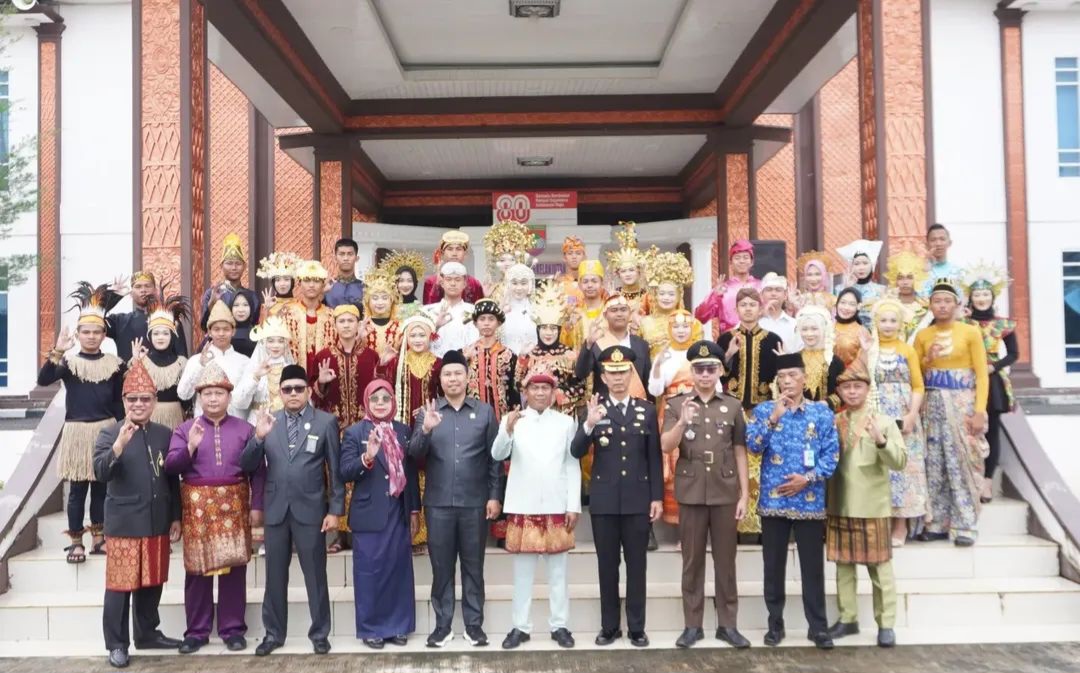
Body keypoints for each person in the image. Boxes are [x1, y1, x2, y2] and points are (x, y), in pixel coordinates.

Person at [241, 364, 345, 656]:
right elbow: (247, 464)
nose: (294, 394)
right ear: (280, 392)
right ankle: (273, 634)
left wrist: (335, 510)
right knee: (274, 577)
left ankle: (320, 633)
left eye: (299, 388)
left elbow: (335, 470)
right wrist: (258, 438)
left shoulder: (325, 422)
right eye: (288, 389)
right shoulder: (268, 421)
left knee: (315, 575)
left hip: (311, 510)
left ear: (309, 391)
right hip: (276, 510)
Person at [166, 361, 265, 654]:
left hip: (234, 505)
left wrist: (257, 505)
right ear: (199, 397)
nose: (213, 398)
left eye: (219, 393)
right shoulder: (185, 429)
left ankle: (232, 629)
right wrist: (190, 447)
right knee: (197, 571)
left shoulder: (245, 429)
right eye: (207, 393)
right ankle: (196, 631)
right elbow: (171, 467)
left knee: (234, 569)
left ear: (229, 397)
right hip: (198, 510)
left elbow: (258, 471)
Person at [407, 350, 502, 648]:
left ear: (467, 377)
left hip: (475, 503)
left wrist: (495, 496)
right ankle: (443, 625)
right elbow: (414, 455)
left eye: (457, 373)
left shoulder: (485, 412)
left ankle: (474, 626)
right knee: (442, 567)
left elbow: (494, 460)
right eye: (447, 374)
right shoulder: (428, 412)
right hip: (438, 505)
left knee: (473, 567)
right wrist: (425, 429)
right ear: (440, 379)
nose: (452, 379)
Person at [93, 359, 183, 669]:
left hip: (157, 520)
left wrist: (176, 516)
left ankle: (147, 633)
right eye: (133, 399)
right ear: (124, 401)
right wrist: (119, 445)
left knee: (152, 582)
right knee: (120, 586)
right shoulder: (109, 434)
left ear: (155, 401)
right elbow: (101, 472)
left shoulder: (164, 434)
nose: (139, 404)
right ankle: (117, 643)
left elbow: (172, 478)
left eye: (145, 398)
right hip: (124, 524)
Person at [660, 341, 750, 649]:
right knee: (692, 561)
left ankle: (728, 624)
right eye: (699, 369)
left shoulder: (733, 406)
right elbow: (666, 445)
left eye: (711, 368)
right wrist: (683, 421)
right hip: (692, 490)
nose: (705, 375)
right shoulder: (677, 404)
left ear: (720, 371)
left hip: (725, 490)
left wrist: (744, 494)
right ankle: (692, 625)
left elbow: (739, 450)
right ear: (692, 372)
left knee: (726, 561)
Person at [571, 346, 663, 648]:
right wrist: (589, 424)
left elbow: (654, 457)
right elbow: (576, 451)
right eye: (612, 373)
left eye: (623, 372)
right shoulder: (594, 410)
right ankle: (609, 626)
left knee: (637, 566)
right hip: (605, 501)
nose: (619, 378)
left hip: (638, 499)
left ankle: (637, 627)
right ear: (604, 376)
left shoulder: (646, 410)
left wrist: (656, 497)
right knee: (607, 566)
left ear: (631, 374)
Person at [746, 353, 839, 649]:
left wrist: (807, 478)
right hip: (774, 503)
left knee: (813, 568)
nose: (787, 381)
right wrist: (773, 418)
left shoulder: (821, 413)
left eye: (793, 375)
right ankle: (775, 625)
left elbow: (831, 456)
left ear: (804, 379)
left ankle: (818, 627)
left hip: (809, 501)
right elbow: (753, 446)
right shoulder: (764, 410)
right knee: (773, 567)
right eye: (782, 377)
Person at [493, 367, 580, 650]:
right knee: (522, 574)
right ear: (526, 392)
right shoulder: (513, 419)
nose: (540, 393)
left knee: (558, 574)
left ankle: (560, 625)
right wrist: (507, 429)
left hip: (557, 505)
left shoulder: (565, 422)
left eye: (545, 388)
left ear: (553, 393)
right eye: (534, 388)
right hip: (523, 506)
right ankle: (520, 626)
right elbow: (497, 454)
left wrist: (573, 504)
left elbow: (572, 464)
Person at [39, 282, 124, 563]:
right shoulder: (69, 363)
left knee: (101, 488)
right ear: (78, 334)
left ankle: (99, 537)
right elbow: (44, 380)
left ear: (103, 335)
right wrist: (57, 351)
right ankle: (76, 541)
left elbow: (117, 401)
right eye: (85, 332)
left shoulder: (114, 364)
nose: (91, 336)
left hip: (105, 430)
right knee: (77, 490)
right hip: (77, 432)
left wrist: (122, 429)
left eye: (96, 332)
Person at [826, 357, 907, 648]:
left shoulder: (883, 421)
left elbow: (899, 462)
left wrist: (881, 440)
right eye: (846, 387)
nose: (852, 392)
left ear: (867, 388)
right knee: (843, 567)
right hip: (840, 503)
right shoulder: (834, 421)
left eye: (857, 387)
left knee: (880, 569)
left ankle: (886, 623)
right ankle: (847, 618)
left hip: (873, 506)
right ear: (839, 391)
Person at [339, 379, 420, 649]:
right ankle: (371, 628)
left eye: (386, 398)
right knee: (369, 572)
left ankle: (398, 626)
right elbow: (345, 472)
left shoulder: (403, 430)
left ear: (393, 402)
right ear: (366, 402)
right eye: (375, 399)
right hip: (369, 514)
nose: (381, 403)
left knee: (398, 570)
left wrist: (414, 509)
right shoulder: (355, 432)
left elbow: (410, 473)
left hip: (398, 511)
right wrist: (367, 457)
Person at [914, 278, 990, 546]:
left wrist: (979, 410)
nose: (943, 306)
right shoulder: (923, 336)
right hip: (932, 402)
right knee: (934, 461)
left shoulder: (970, 332)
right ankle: (936, 522)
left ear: (957, 304)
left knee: (962, 459)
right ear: (930, 305)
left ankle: (965, 522)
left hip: (962, 402)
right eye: (937, 301)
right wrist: (928, 359)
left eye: (948, 301)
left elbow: (982, 374)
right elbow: (916, 374)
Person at [310, 304, 386, 552]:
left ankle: (362, 529)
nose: (346, 325)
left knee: (365, 474)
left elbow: (381, 391)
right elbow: (313, 398)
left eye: (350, 321)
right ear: (334, 325)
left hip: (365, 426)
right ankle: (338, 534)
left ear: (358, 325)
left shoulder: (371, 356)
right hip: (334, 427)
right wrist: (321, 383)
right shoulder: (323, 356)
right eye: (341, 321)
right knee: (336, 475)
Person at [716, 288, 782, 537]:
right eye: (743, 305)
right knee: (732, 464)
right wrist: (729, 354)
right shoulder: (725, 338)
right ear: (736, 309)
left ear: (760, 308)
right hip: (732, 410)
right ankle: (733, 525)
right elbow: (716, 376)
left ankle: (762, 525)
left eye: (752, 304)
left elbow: (781, 378)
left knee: (763, 466)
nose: (748, 309)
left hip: (763, 412)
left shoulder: (773, 339)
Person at [868, 298, 928, 545]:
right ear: (876, 322)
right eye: (883, 320)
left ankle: (900, 525)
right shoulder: (870, 349)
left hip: (903, 413)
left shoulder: (907, 350)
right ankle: (879, 521)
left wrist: (912, 414)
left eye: (893, 320)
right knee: (878, 466)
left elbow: (918, 385)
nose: (888, 325)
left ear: (900, 323)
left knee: (903, 467)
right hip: (877, 412)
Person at [463, 299, 520, 545]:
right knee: (475, 469)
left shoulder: (509, 355)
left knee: (503, 471)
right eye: (482, 319)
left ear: (498, 323)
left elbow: (515, 392)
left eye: (491, 319)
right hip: (472, 421)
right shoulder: (466, 353)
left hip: (501, 419)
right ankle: (474, 527)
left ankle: (502, 530)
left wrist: (513, 419)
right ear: (475, 323)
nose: (486, 324)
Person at [961, 262, 1018, 503]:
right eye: (977, 294)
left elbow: (1013, 354)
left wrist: (994, 366)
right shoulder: (963, 322)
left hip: (993, 380)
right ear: (970, 298)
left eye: (985, 294)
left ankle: (987, 481)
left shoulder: (1002, 324)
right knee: (966, 429)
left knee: (991, 430)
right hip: (966, 378)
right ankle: (969, 479)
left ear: (992, 297)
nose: (981, 298)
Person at [386, 313, 443, 551]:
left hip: (429, 426)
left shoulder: (438, 363)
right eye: (413, 335)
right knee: (407, 471)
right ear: (406, 338)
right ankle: (409, 534)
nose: (418, 339)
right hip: (403, 425)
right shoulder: (396, 363)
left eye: (422, 335)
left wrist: (433, 409)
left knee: (427, 471)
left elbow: (445, 395)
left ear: (431, 337)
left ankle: (427, 533)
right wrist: (383, 363)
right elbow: (383, 390)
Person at [647, 310, 704, 526]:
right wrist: (657, 365)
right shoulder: (664, 354)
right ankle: (677, 524)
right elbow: (654, 390)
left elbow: (715, 387)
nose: (681, 331)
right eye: (676, 327)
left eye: (685, 326)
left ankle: (693, 525)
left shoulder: (700, 353)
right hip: (671, 411)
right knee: (672, 464)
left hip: (697, 411)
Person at [518, 280, 585, 415]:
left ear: (559, 331)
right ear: (538, 330)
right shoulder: (530, 354)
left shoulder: (570, 355)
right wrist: (522, 359)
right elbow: (518, 385)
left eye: (553, 328)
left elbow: (581, 386)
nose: (548, 333)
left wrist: (560, 394)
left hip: (562, 413)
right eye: (544, 328)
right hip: (533, 414)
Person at [176, 300, 250, 418]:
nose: (221, 333)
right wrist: (200, 366)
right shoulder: (196, 360)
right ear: (209, 332)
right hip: (204, 425)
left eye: (226, 329)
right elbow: (183, 394)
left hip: (237, 424)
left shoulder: (245, 362)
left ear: (233, 331)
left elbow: (248, 400)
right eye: (216, 329)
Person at [131, 291, 190, 430]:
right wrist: (136, 363)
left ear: (172, 336)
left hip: (175, 416)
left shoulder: (181, 363)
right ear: (150, 336)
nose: (160, 337)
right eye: (156, 333)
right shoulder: (142, 361)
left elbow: (187, 397)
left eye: (165, 333)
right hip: (148, 417)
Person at [107, 271, 188, 361]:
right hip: (129, 370)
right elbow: (95, 321)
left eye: (147, 286)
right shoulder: (119, 321)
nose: (143, 290)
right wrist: (113, 296)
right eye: (138, 287)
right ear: (131, 293)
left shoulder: (169, 319)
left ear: (155, 290)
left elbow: (182, 358)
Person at [234, 315, 296, 425]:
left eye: (280, 341)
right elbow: (239, 402)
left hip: (286, 423)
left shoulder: (291, 369)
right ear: (263, 343)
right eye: (270, 341)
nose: (275, 346)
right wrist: (256, 377)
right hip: (258, 422)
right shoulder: (255, 368)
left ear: (285, 344)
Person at [639, 250, 699, 357]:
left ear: (679, 296)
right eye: (662, 294)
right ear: (655, 295)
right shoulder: (645, 324)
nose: (666, 298)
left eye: (671, 294)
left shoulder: (692, 323)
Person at [694, 240, 762, 334]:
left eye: (745, 257)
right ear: (731, 262)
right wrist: (714, 296)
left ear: (752, 262)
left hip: (758, 337)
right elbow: (700, 317)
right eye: (737, 258)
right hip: (729, 339)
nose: (742, 261)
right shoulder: (723, 289)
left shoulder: (761, 286)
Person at [281, 260, 337, 371]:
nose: (311, 285)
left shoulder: (332, 316)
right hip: (294, 376)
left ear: (323, 284)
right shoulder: (288, 314)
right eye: (306, 280)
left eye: (316, 281)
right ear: (299, 283)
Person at [199, 233, 260, 332]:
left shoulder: (252, 296)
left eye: (238, 264)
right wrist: (211, 305)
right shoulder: (211, 294)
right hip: (219, 340)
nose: (234, 268)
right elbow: (204, 327)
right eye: (229, 263)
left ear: (244, 267)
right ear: (221, 266)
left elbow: (255, 327)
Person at [423, 261, 479, 356]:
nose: (453, 283)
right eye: (448, 279)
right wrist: (435, 326)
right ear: (442, 283)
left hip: (465, 363)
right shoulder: (427, 311)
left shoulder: (474, 311)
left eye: (457, 280)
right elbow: (419, 341)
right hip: (434, 363)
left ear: (464, 283)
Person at [794, 305, 844, 410]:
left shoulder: (834, 361)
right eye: (804, 329)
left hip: (826, 416)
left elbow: (844, 392)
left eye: (814, 329)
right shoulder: (794, 359)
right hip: (797, 415)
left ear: (824, 329)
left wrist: (826, 403)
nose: (809, 334)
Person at [606, 221, 651, 323]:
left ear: (639, 271)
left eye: (631, 270)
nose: (628, 274)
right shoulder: (614, 295)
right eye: (623, 271)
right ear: (618, 274)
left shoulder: (647, 296)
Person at [422, 230, 485, 304]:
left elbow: (479, 309)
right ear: (442, 253)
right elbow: (428, 308)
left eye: (458, 249)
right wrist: (436, 286)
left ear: (465, 254)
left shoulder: (474, 283)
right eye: (450, 249)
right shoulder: (431, 282)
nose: (454, 253)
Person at [835, 239, 887, 324]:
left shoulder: (881, 291)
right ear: (851, 266)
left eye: (865, 263)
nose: (861, 268)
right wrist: (847, 289)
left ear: (872, 265)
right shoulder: (839, 289)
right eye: (857, 264)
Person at [883, 250, 931, 342]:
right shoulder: (887, 304)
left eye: (909, 277)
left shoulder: (926, 306)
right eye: (900, 278)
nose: (905, 282)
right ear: (894, 280)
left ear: (917, 278)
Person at [561, 259, 607, 351]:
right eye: (585, 281)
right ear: (580, 285)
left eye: (594, 281)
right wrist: (569, 328)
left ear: (602, 283)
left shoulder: (610, 311)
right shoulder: (574, 313)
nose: (590, 285)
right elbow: (565, 346)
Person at [483, 219, 533, 299]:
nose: (507, 264)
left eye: (512, 260)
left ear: (519, 260)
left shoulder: (526, 287)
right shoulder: (494, 288)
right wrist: (486, 297)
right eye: (502, 260)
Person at [361, 267, 401, 359]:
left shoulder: (400, 327)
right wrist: (360, 339)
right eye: (375, 298)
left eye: (384, 298)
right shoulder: (362, 327)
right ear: (367, 301)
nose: (380, 302)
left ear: (391, 300)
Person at [500, 263, 538, 356]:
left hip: (533, 361)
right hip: (506, 360)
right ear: (508, 284)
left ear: (530, 285)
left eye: (523, 283)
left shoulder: (537, 310)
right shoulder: (501, 312)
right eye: (514, 283)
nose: (519, 288)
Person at [378, 249, 426, 322]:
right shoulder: (387, 306)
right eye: (401, 281)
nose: (405, 285)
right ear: (395, 283)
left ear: (415, 283)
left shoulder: (419, 308)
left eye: (409, 280)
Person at [759, 272, 801, 352]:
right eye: (769, 290)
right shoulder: (753, 323)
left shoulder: (794, 324)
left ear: (785, 295)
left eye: (778, 290)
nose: (773, 293)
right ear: (761, 295)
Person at [256, 251, 301, 320]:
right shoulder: (266, 305)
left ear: (292, 282)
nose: (282, 284)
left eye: (286, 279)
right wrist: (267, 309)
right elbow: (261, 326)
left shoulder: (300, 306)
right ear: (273, 283)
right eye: (277, 280)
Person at [921, 224, 963, 297]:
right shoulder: (920, 272)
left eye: (942, 239)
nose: (938, 243)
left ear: (949, 243)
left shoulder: (959, 271)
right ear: (926, 244)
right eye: (933, 240)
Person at [324, 238, 365, 310]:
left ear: (357, 258)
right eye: (341, 254)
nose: (346, 258)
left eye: (350, 254)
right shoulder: (326, 287)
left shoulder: (364, 288)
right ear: (335, 258)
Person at [833, 286, 870, 366]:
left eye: (852, 304)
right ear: (837, 304)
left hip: (851, 373)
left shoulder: (862, 332)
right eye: (843, 302)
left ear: (858, 307)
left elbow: (867, 362)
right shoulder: (828, 326)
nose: (846, 308)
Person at [557, 235, 587, 307]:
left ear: (584, 257)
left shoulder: (590, 283)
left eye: (578, 253)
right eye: (570, 253)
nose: (574, 257)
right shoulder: (559, 284)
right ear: (564, 257)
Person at [228, 292, 257, 357]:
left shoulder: (257, 332)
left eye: (245, 305)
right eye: (236, 305)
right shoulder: (223, 331)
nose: (241, 310)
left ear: (251, 307)